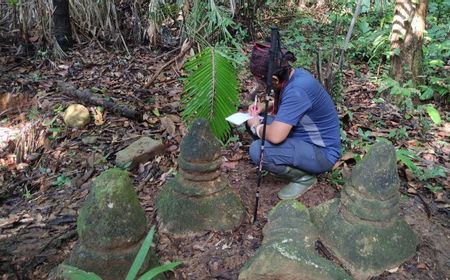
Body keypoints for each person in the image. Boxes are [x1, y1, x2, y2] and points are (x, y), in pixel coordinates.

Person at [246, 42, 341, 200]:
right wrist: (263, 107)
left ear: (274, 79)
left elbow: (276, 136)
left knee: (258, 150)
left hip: (322, 152)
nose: (261, 86)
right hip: (303, 138)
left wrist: (256, 126)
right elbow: (288, 107)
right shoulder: (293, 76)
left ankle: (303, 178)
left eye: (262, 82)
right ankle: (289, 159)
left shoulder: (297, 90)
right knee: (253, 121)